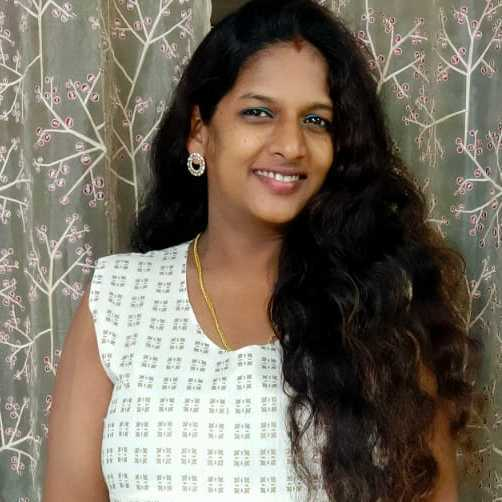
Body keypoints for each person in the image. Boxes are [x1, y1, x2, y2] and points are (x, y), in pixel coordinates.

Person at [42, 0, 480, 501]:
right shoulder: (118, 299)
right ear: (199, 131)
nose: (291, 144)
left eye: (316, 120)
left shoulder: (380, 310)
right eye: (258, 112)